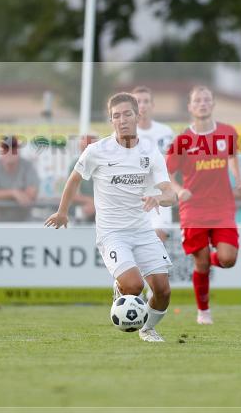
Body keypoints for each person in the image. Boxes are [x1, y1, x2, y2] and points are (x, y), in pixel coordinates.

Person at [45, 92, 177, 343]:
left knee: (163, 290)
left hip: (142, 230)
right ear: (111, 120)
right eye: (116, 116)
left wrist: (158, 198)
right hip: (112, 233)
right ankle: (121, 287)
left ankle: (147, 329)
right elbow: (74, 180)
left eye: (127, 114)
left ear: (138, 116)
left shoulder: (151, 152)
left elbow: (170, 194)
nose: (122, 120)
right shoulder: (97, 151)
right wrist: (62, 212)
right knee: (134, 285)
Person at [166, 85, 241, 325]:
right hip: (194, 209)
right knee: (200, 263)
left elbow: (232, 156)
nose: (202, 103)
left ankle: (211, 258)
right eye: (197, 100)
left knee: (228, 259)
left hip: (222, 206)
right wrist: (179, 190)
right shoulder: (182, 140)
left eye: (206, 99)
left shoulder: (228, 132)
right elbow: (167, 173)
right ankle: (204, 312)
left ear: (212, 104)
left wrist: (238, 178)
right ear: (190, 107)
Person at [133, 86, 175, 244]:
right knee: (135, 244)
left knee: (158, 237)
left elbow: (172, 164)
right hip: (134, 196)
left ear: (152, 105)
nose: (142, 105)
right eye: (138, 102)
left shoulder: (165, 132)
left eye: (146, 101)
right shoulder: (123, 133)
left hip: (159, 193)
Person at [0, 136, 40, 222]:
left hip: (23, 220)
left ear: (18, 151)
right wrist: (14, 193)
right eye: (6, 148)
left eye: (13, 147)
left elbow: (30, 195)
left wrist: (2, 195)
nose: (10, 152)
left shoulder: (28, 166)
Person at [67, 135, 98, 223]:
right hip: (83, 212)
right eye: (84, 149)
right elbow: (71, 195)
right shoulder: (76, 164)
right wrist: (92, 203)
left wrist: (96, 205)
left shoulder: (106, 164)